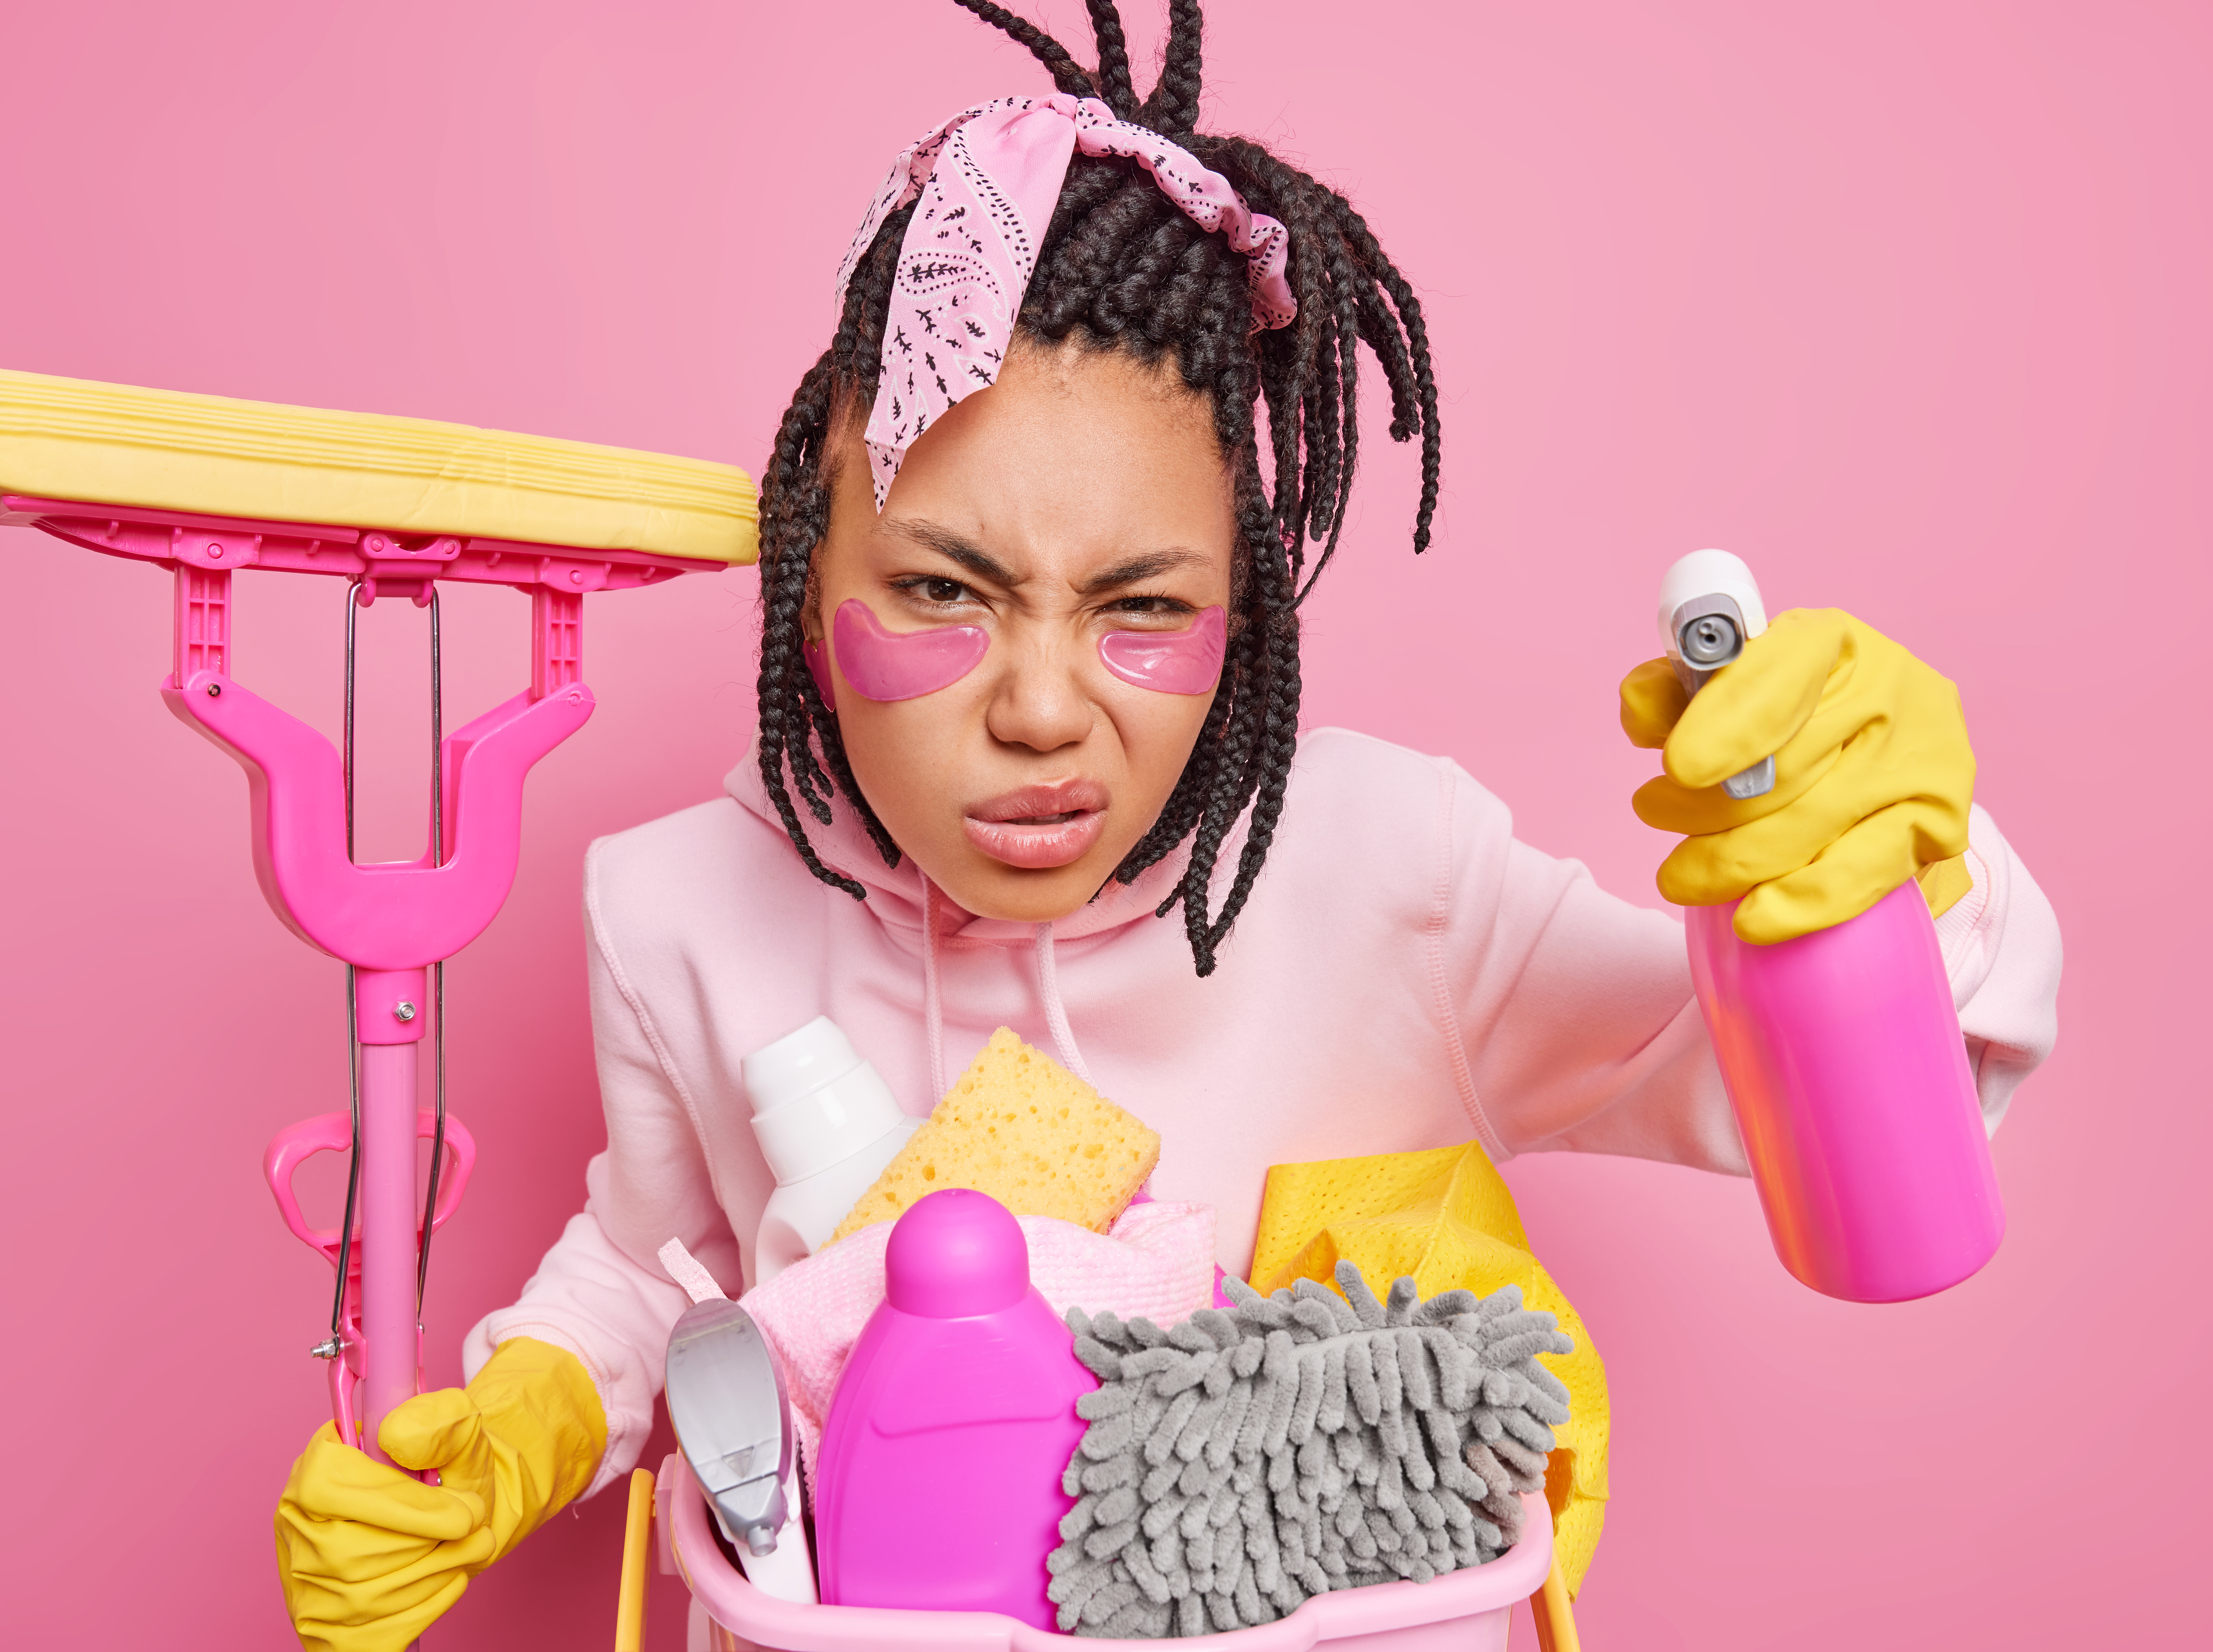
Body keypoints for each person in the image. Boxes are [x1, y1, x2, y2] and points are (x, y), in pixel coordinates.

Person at [273, 3, 2062, 1646]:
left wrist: (1882, 866)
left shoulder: (1388, 871)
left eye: (1142, 608)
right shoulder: (680, 908)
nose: (1045, 710)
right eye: (944, 591)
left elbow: (1810, 1080)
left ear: (1246, 615)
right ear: (806, 574)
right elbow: (665, 1277)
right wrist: (520, 1425)